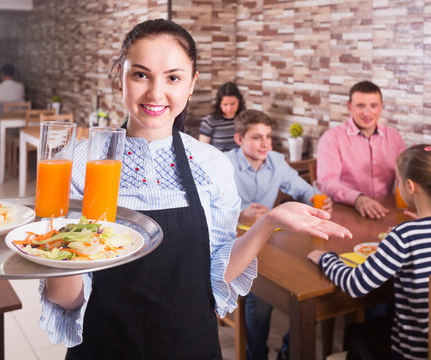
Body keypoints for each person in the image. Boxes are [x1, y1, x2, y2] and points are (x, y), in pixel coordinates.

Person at [39, 19, 352, 359]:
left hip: (190, 346)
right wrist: (56, 250)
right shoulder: (79, 164)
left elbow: (216, 273)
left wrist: (268, 223)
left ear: (191, 84)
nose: (156, 93)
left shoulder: (212, 165)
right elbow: (66, 297)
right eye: (140, 74)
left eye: (173, 77)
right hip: (103, 347)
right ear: (120, 78)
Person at [308, 144, 431, 360]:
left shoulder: (406, 235)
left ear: (410, 186)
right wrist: (422, 227)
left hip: (415, 355)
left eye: (397, 181)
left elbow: (355, 285)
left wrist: (326, 258)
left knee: (357, 334)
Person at [224, 109, 333, 360]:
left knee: (309, 288)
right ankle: (256, 355)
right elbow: (208, 208)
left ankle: (287, 353)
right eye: (257, 137)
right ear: (239, 139)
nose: (265, 144)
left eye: (269, 137)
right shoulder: (224, 163)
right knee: (259, 302)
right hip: (234, 243)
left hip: (272, 242)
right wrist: (241, 215)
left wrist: (318, 202)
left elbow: (304, 190)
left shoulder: (277, 161)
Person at [316, 81, 406, 219]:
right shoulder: (331, 138)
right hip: (345, 212)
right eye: (360, 106)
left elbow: (406, 176)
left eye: (373, 106)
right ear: (349, 106)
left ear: (381, 107)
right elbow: (327, 183)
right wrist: (357, 198)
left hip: (383, 211)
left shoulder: (394, 137)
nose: (367, 113)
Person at [199, 81, 246, 151]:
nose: (229, 108)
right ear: (219, 104)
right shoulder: (209, 122)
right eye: (225, 105)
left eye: (233, 104)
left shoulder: (245, 119)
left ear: (239, 101)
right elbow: (203, 149)